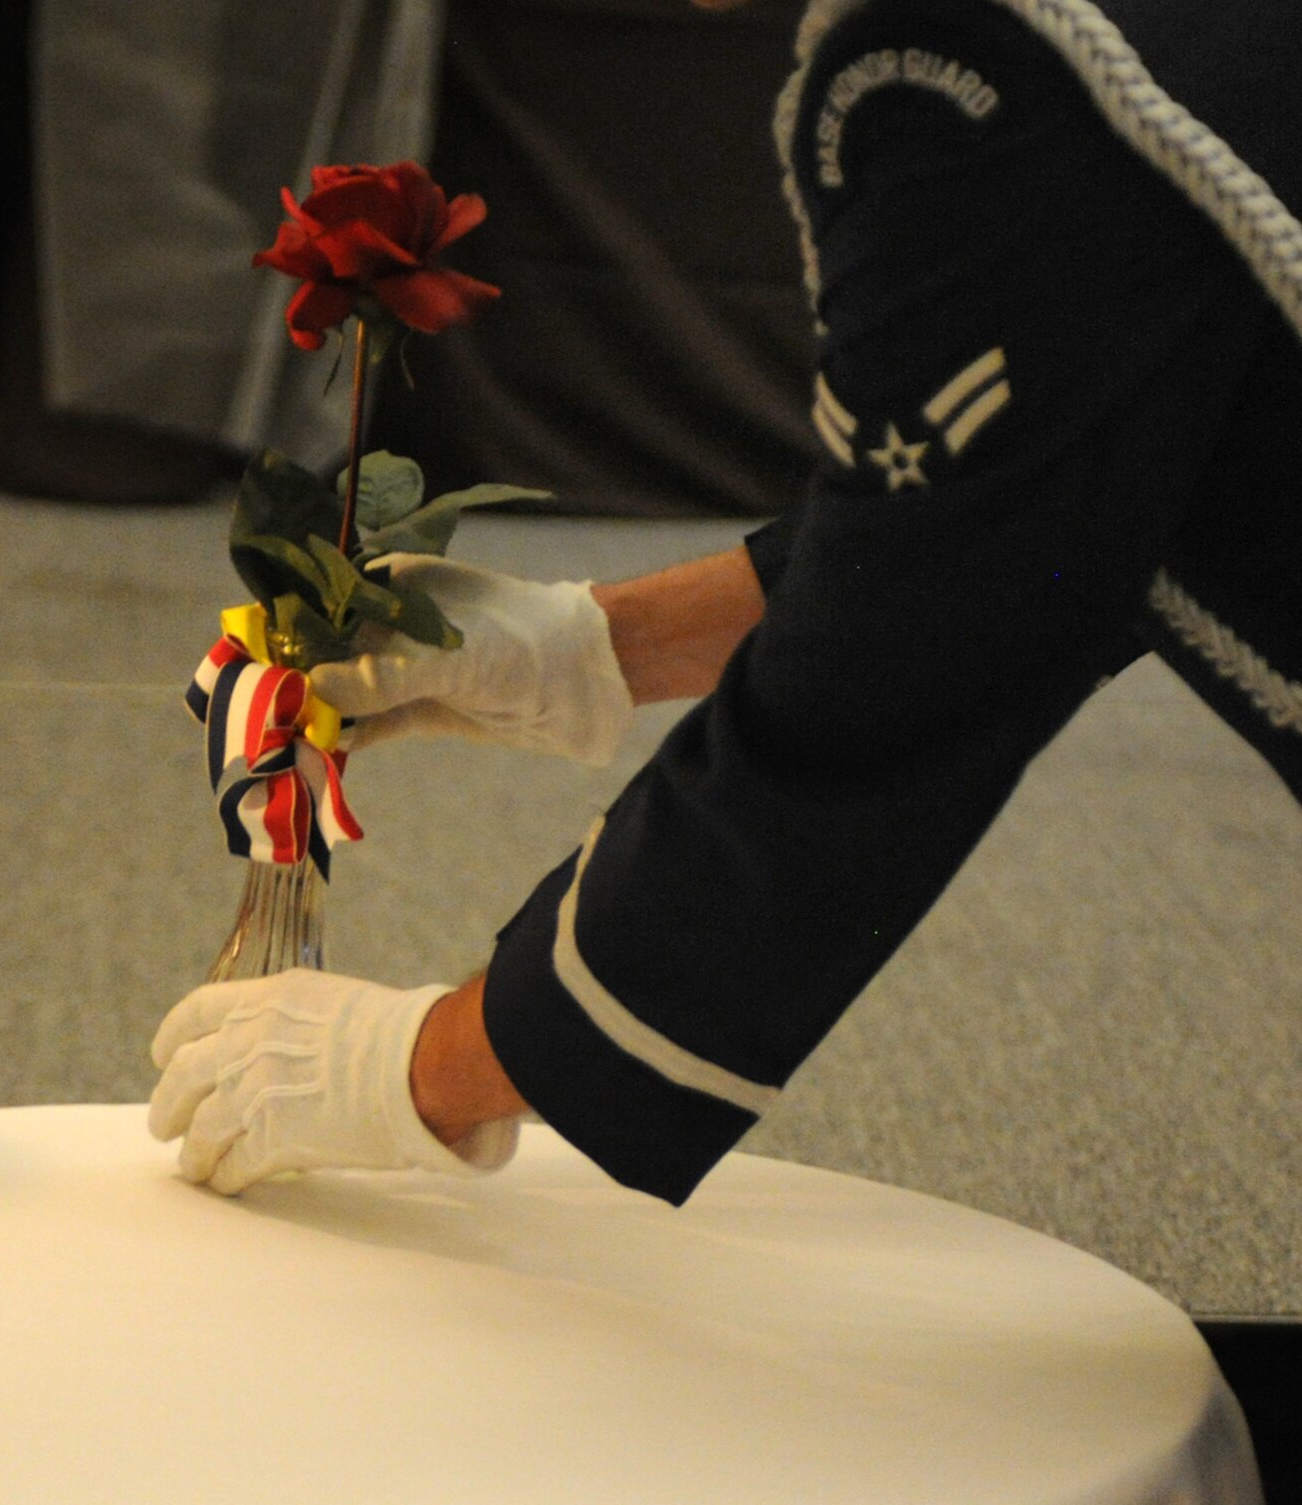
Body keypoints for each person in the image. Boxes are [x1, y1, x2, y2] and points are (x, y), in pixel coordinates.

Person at [148, 0, 1302, 1200]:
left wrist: (428, 1066)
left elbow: (889, 685)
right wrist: (593, 645)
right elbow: (1035, 503)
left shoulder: (967, 63)